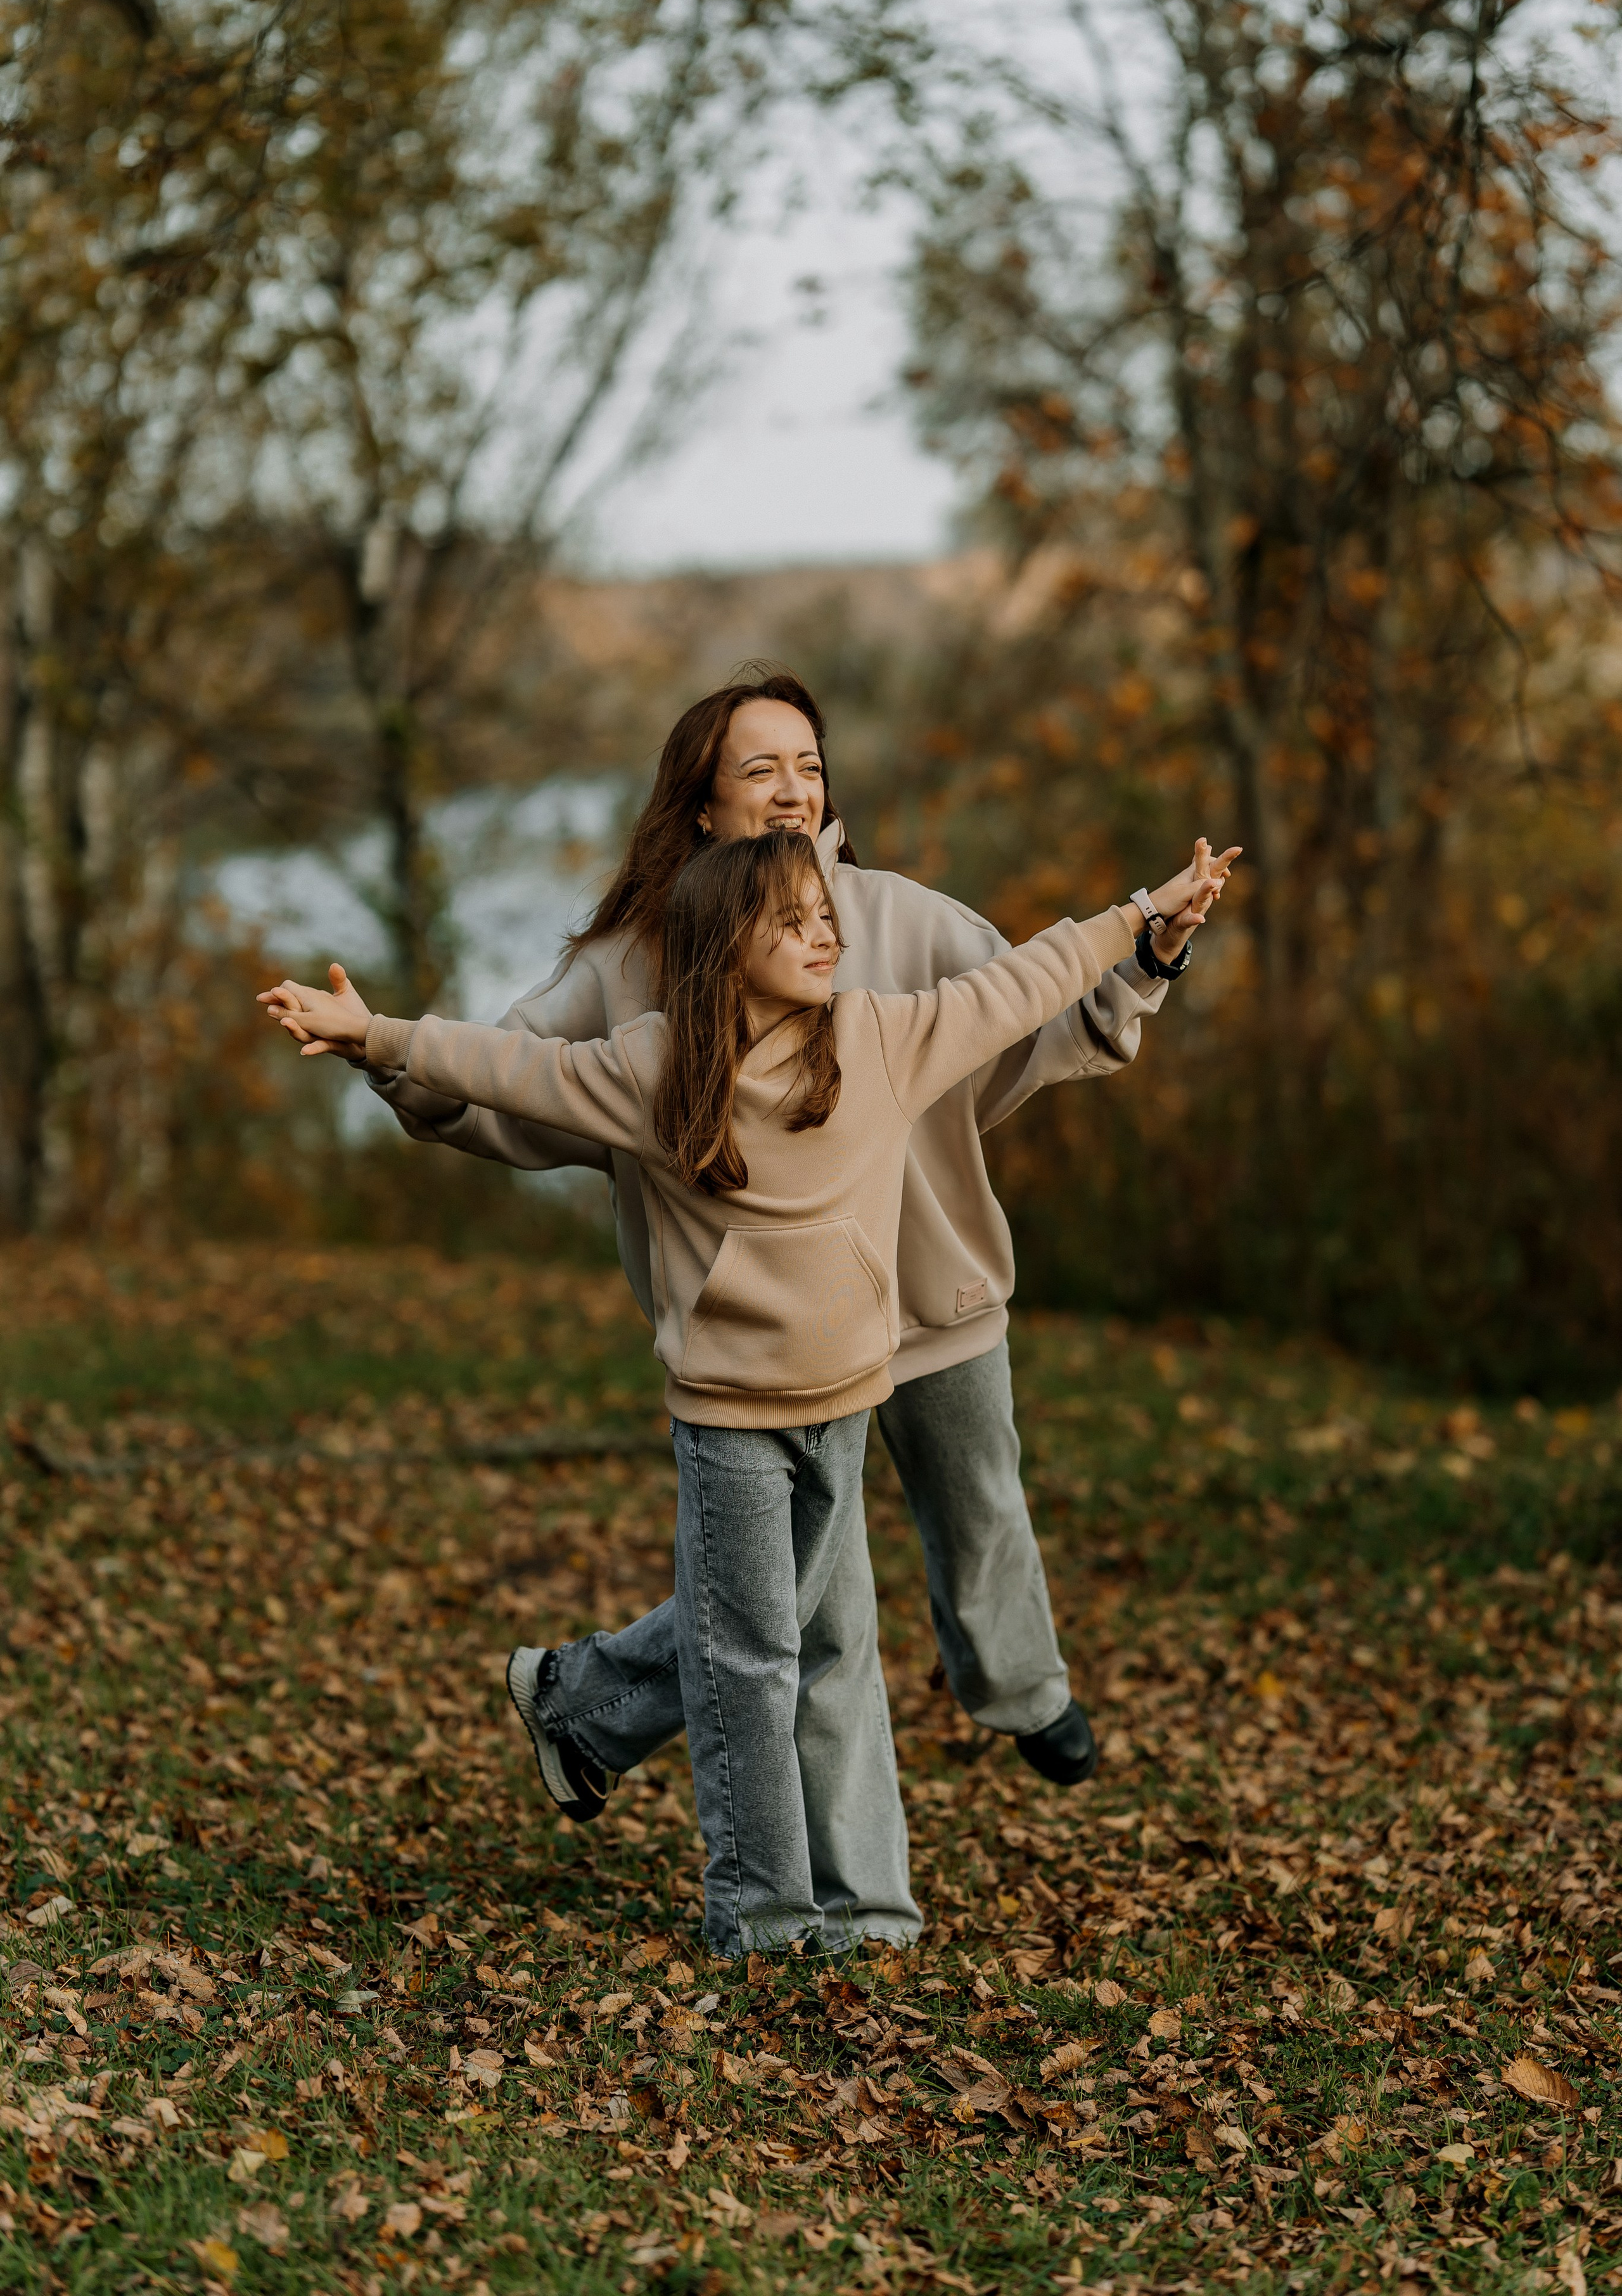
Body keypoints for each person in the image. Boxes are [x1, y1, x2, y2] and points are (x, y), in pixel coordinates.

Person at [260, 828, 1231, 1954]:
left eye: (829, 917)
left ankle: (585, 1709)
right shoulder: (655, 1066)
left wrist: (1142, 921)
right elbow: (505, 1067)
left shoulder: (881, 1036)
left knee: (756, 1640)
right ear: (728, 943)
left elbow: (1019, 985)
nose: (828, 934)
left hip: (850, 1402)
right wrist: (371, 1035)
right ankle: (762, 1918)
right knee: (751, 1666)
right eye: (796, 920)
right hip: (727, 1417)